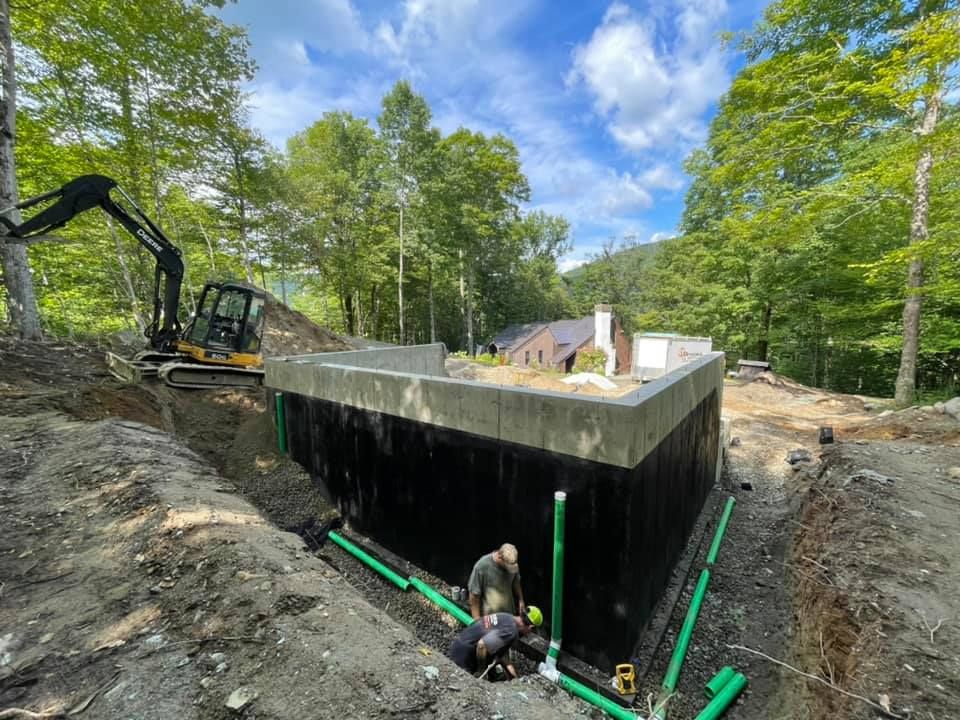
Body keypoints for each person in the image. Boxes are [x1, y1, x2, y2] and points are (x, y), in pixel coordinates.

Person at [449, 607, 543, 678]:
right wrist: (481, 671)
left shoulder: (507, 617)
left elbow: (502, 652)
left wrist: (513, 677)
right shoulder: (511, 632)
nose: (529, 634)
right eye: (532, 631)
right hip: (464, 657)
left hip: (459, 643)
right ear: (531, 627)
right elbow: (482, 645)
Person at [468, 543, 526, 620]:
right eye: (508, 567)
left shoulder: (512, 563)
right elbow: (474, 596)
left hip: (509, 614)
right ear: (499, 557)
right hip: (490, 618)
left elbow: (516, 582)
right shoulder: (481, 567)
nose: (510, 569)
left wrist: (521, 600)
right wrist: (476, 619)